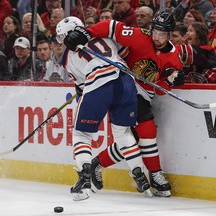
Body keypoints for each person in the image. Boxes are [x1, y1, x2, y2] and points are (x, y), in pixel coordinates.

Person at [63, 11, 184, 197]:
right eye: (155, 32)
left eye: (162, 34)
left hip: (139, 93)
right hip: (125, 82)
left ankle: (98, 163)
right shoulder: (141, 36)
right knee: (146, 129)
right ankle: (155, 174)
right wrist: (87, 32)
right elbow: (110, 26)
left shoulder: (174, 58)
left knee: (133, 138)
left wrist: (169, 81)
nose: (157, 37)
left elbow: (159, 90)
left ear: (170, 35)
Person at [56, 16, 151, 201]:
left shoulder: (67, 56)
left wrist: (80, 86)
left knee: (82, 135)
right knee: (123, 133)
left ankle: (84, 182)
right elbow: (124, 52)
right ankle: (141, 178)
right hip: (125, 81)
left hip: (98, 84)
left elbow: (82, 86)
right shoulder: (104, 35)